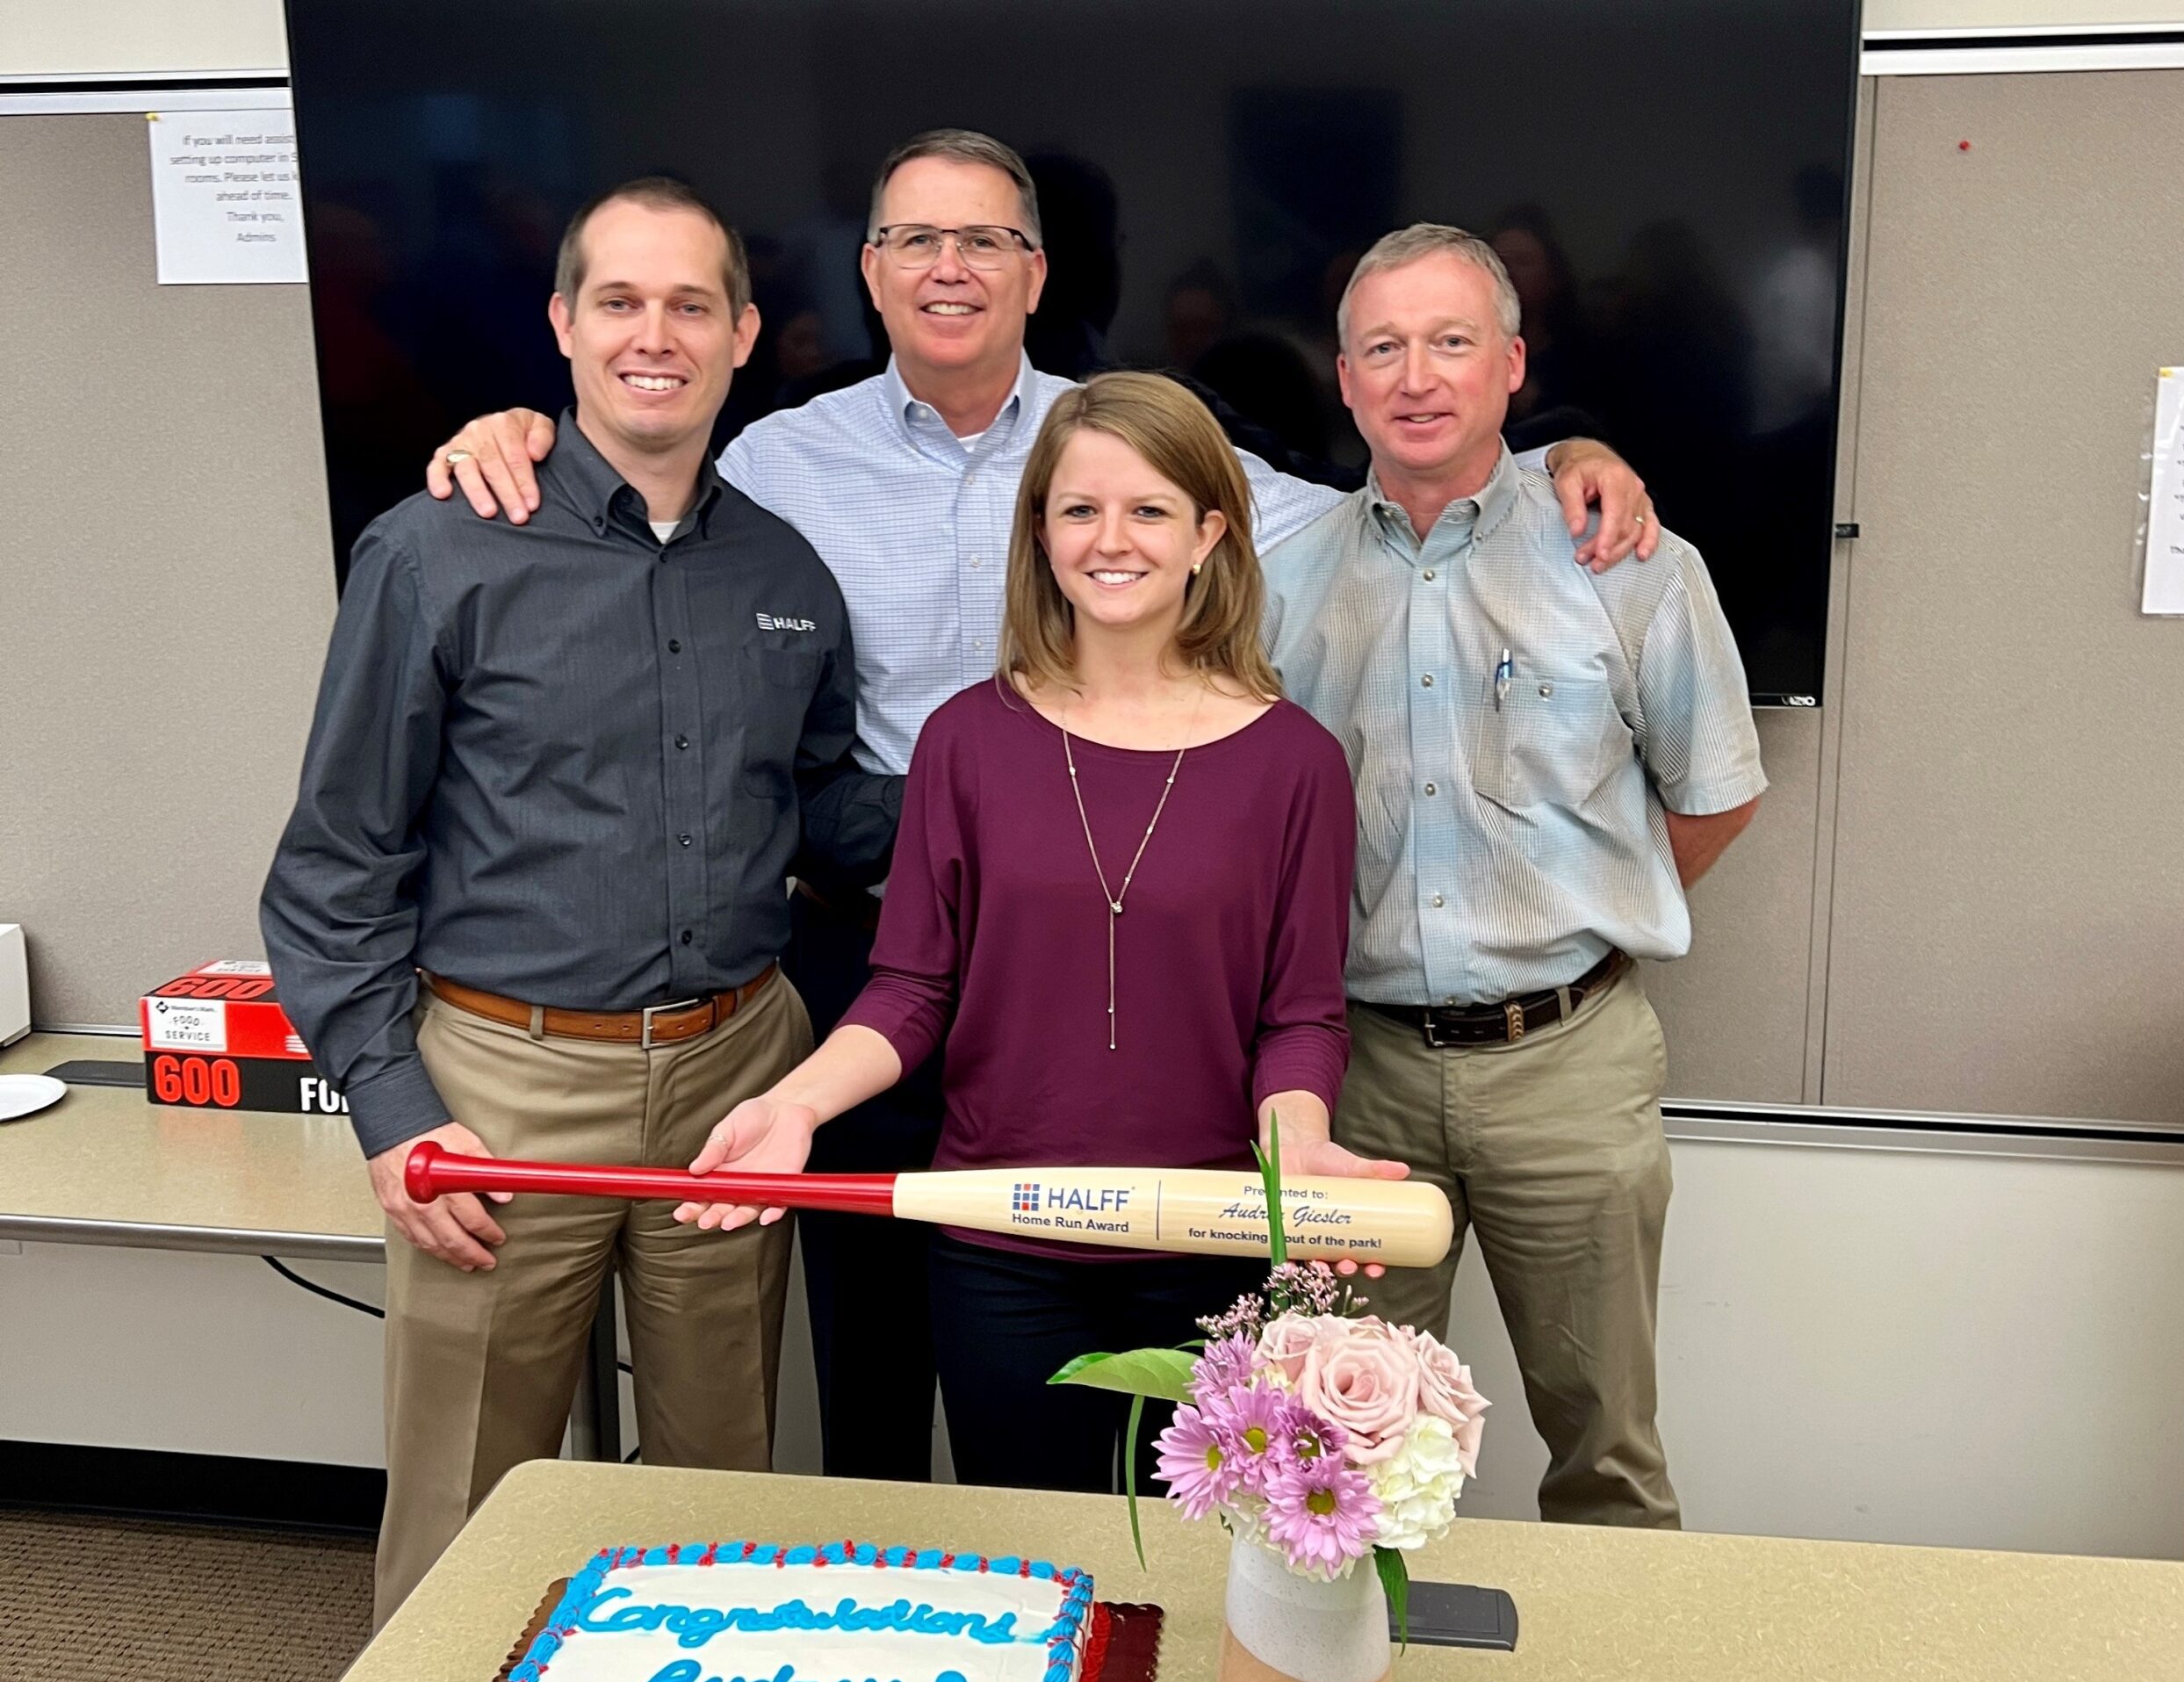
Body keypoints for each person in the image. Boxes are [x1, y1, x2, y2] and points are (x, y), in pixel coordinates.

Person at [420, 131, 1662, 1484]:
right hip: (900, 985)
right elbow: (632, 463)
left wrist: (1554, 460)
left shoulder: (1233, 637)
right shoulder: (783, 476)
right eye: (915, 241)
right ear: (872, 272)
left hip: (1191, 1163)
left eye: (986, 241)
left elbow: (1402, 489)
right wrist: (521, 426)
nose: (1111, 536)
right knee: (890, 1406)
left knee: (1184, 1522)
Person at [262, 177, 891, 1628]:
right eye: (620, 300)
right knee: (464, 1506)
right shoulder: (437, 552)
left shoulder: (786, 574)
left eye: (690, 305)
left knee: (718, 1493)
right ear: (562, 325)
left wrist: (1048, 788)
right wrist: (393, 1106)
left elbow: (832, 810)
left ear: (744, 332)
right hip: (502, 1088)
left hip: (740, 1074)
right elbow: (332, 868)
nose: (653, 335)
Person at [674, 372, 1401, 1490]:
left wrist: (1294, 1141)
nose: (1112, 541)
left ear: (1210, 531)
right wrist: (792, 1105)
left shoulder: (1293, 760)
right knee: (1033, 1572)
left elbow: (1299, 1013)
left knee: (1195, 1588)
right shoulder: (967, 741)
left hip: (1207, 1236)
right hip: (999, 1245)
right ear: (1042, 533)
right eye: (1079, 510)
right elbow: (910, 989)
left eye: (1149, 510)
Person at [1263, 223, 1767, 1530]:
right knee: (1339, 1450)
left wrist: (1572, 911)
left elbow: (1717, 791)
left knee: (1604, 1448)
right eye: (1384, 347)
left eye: (1450, 342)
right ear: (1345, 378)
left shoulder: (1630, 559)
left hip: (1570, 1065)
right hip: (1355, 1075)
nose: (1416, 376)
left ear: (1512, 365)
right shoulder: (1280, 580)